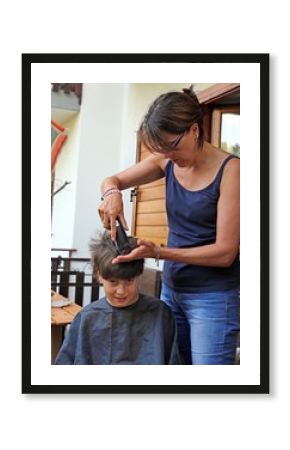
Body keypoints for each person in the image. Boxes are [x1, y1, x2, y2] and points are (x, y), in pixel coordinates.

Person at [99, 86, 240, 365]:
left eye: (172, 146)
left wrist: (159, 252)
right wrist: (111, 195)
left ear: (194, 130)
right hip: (171, 290)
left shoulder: (233, 171)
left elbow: (225, 253)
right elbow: (111, 180)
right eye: (161, 149)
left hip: (213, 298)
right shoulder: (167, 160)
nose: (168, 155)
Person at [54, 232, 182, 365]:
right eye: (113, 282)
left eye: (129, 281)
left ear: (139, 275)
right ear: (99, 275)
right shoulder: (87, 318)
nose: (121, 291)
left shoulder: (160, 314)